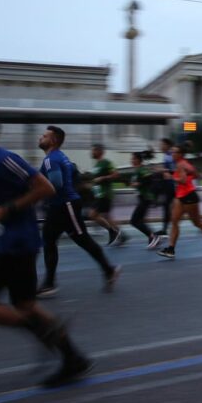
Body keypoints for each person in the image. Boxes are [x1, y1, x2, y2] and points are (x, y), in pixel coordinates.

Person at [0, 113, 92, 387]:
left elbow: (46, 187)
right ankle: (73, 358)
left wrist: (4, 210)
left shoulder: (4, 159)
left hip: (17, 245)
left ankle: (42, 330)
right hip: (13, 242)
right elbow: (2, 207)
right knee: (26, 305)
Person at [37, 126, 120, 298]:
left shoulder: (51, 159)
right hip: (59, 206)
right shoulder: (60, 156)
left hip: (65, 205)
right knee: (49, 240)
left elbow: (56, 184)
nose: (40, 137)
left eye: (44, 136)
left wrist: (36, 193)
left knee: (82, 240)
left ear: (53, 140)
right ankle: (49, 283)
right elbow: (73, 175)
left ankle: (109, 270)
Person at [157, 142, 202, 259]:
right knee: (174, 221)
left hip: (189, 196)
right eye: (172, 152)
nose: (172, 154)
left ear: (180, 154)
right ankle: (171, 249)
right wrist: (186, 175)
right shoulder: (181, 164)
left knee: (197, 223)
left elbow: (183, 180)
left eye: (174, 152)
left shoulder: (182, 164)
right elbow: (195, 174)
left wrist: (172, 177)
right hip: (180, 196)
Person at [89, 144, 126, 246]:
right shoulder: (97, 164)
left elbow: (116, 174)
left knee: (93, 215)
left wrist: (103, 178)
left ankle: (112, 231)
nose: (92, 152)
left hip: (105, 194)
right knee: (107, 217)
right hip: (99, 194)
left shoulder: (106, 162)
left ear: (100, 151)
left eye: (94, 150)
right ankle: (122, 235)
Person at [129, 150, 161, 249]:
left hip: (145, 198)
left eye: (133, 159)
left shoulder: (142, 169)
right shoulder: (137, 170)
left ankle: (153, 236)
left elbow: (149, 178)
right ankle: (152, 237)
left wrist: (138, 183)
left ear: (139, 160)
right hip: (141, 198)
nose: (132, 160)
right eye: (132, 159)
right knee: (140, 220)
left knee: (134, 221)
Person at [155, 138, 176, 238]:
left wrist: (162, 170)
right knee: (166, 206)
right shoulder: (166, 155)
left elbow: (173, 170)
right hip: (168, 184)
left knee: (169, 206)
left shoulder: (171, 155)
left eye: (162, 144)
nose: (161, 146)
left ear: (167, 145)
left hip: (173, 185)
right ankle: (164, 229)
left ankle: (165, 229)